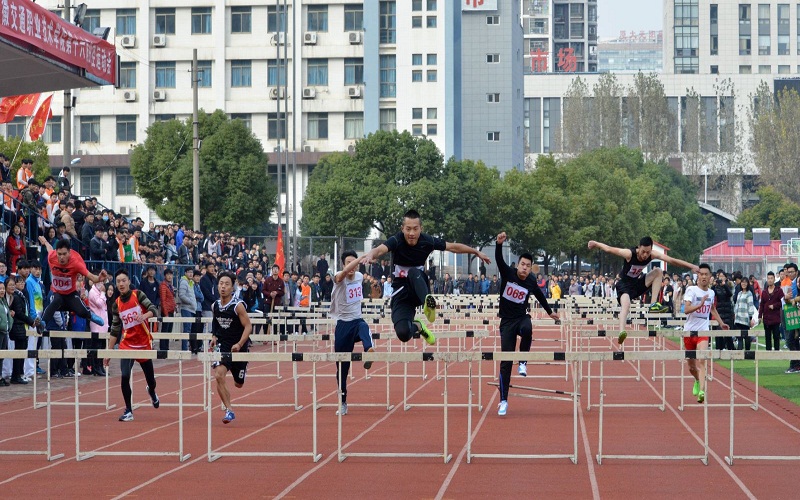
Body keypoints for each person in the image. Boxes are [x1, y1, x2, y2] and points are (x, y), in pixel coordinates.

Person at [359, 209, 490, 345]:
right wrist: (371, 255)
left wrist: (476, 252)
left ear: (421, 228)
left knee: (413, 272)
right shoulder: (396, 240)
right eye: (408, 229)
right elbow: (380, 249)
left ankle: (428, 303)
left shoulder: (427, 241)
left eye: (415, 229)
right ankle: (418, 326)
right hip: (401, 293)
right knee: (403, 333)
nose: (411, 233)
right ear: (402, 229)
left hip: (419, 287)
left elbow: (452, 247)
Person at [587, 237, 699, 345]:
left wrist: (691, 266)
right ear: (639, 247)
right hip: (624, 285)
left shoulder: (652, 254)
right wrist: (596, 243)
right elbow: (609, 249)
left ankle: (653, 304)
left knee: (658, 271)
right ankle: (621, 332)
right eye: (643, 252)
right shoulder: (629, 254)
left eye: (648, 252)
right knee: (626, 305)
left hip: (637, 283)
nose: (645, 255)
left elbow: (672, 260)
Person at [494, 232, 560, 416]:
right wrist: (498, 244)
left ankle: (523, 362)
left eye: (528, 266)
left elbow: (539, 295)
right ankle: (503, 401)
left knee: (527, 328)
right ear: (518, 265)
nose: (524, 268)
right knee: (505, 362)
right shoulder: (508, 273)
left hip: (521, 317)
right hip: (507, 322)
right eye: (522, 264)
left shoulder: (531, 281)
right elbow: (499, 260)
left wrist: (549, 312)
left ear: (531, 269)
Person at [103, 268, 160, 422]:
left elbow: (153, 309)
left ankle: (152, 391)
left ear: (128, 281)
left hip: (143, 343)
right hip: (127, 344)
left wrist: (144, 316)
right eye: (118, 282)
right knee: (124, 376)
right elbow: (115, 330)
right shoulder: (116, 304)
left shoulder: (138, 295)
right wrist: (108, 352)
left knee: (151, 380)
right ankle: (128, 410)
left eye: (123, 280)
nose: (121, 284)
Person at [329, 251, 376, 416]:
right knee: (342, 368)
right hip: (343, 325)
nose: (352, 266)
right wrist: (358, 259)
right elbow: (342, 274)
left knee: (363, 326)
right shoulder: (338, 276)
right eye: (348, 262)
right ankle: (342, 402)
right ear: (343, 264)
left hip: (356, 321)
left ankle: (369, 350)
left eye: (354, 263)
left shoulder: (360, 276)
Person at [37, 236, 107, 332]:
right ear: (56, 253)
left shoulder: (76, 263)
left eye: (64, 254)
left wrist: (99, 278)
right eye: (59, 254)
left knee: (81, 311)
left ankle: (90, 315)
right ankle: (42, 323)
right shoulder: (52, 257)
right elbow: (50, 249)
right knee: (54, 302)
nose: (61, 257)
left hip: (71, 293)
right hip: (57, 292)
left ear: (69, 253)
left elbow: (91, 277)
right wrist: (45, 242)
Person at [683, 263, 729, 403]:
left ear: (710, 277)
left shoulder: (711, 293)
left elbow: (712, 308)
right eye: (701, 274)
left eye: (706, 274)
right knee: (691, 367)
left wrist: (721, 323)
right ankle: (697, 380)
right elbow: (686, 310)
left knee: (702, 360)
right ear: (698, 276)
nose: (703, 276)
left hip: (703, 331)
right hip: (689, 332)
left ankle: (702, 391)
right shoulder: (691, 290)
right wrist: (700, 305)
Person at [211, 271, 252, 424]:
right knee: (218, 375)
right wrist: (213, 336)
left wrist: (240, 344)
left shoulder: (237, 306)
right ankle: (229, 410)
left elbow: (248, 326)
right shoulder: (215, 305)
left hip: (239, 345)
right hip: (223, 345)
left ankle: (242, 370)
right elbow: (215, 323)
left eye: (227, 284)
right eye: (221, 283)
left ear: (232, 287)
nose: (223, 287)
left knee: (238, 384)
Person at [758, 271, 784, 351]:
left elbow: (782, 302)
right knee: (767, 338)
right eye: (768, 278)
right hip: (766, 319)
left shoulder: (778, 290)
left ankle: (776, 352)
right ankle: (768, 353)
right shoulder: (764, 292)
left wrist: (774, 306)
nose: (770, 280)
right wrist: (760, 316)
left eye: (771, 278)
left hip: (775, 318)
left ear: (774, 279)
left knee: (776, 337)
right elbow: (762, 304)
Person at [733, 277, 757, 351]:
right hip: (738, 318)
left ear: (747, 284)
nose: (744, 284)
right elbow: (737, 305)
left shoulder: (749, 294)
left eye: (745, 282)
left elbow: (750, 306)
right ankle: (740, 352)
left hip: (745, 319)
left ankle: (747, 352)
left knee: (746, 337)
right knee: (739, 337)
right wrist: (735, 314)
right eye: (742, 282)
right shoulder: (739, 293)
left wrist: (750, 318)